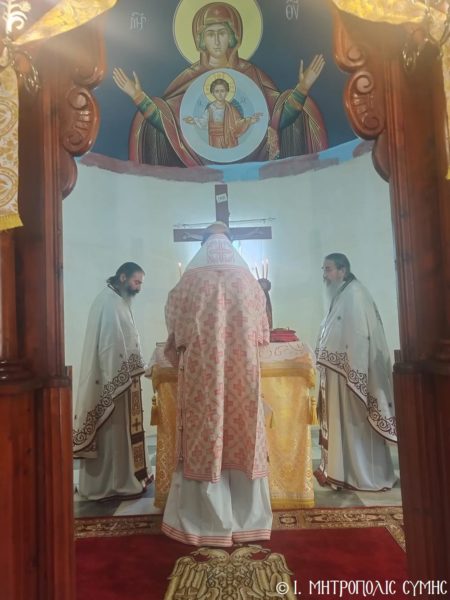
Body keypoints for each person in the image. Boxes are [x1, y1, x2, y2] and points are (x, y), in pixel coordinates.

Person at [162, 221, 272, 546]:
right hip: (242, 373)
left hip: (202, 374)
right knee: (243, 432)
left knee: (204, 433)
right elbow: (263, 331)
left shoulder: (191, 279)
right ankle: (248, 520)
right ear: (230, 243)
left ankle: (205, 521)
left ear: (204, 243)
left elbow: (174, 326)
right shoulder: (248, 281)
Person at [112, 1, 327, 166]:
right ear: (201, 39)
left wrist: (302, 88)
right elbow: (169, 125)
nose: (216, 41)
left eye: (222, 33)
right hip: (199, 164)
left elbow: (278, 118)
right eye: (210, 34)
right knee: (143, 119)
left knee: (307, 106)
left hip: (249, 161)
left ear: (233, 37)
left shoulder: (251, 74)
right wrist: (138, 96)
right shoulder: (189, 78)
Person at [314, 253, 397, 491]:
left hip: (350, 374)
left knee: (354, 426)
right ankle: (341, 471)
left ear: (342, 270)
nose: (325, 275)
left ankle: (362, 475)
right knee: (342, 424)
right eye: (324, 269)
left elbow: (361, 336)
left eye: (328, 269)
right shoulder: (343, 293)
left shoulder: (356, 294)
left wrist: (352, 371)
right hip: (339, 372)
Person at [73, 262, 150, 500]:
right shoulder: (108, 302)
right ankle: (112, 485)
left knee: (123, 434)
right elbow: (108, 346)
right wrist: (116, 380)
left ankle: (130, 476)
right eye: (136, 282)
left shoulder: (119, 300)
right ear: (123, 277)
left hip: (124, 379)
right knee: (113, 435)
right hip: (113, 383)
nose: (139, 288)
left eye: (141, 283)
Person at [183, 77, 262, 148]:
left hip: (229, 139)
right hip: (215, 140)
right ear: (212, 93)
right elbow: (204, 122)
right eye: (217, 91)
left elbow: (237, 123)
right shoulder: (210, 109)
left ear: (227, 92)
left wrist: (249, 120)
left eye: (222, 91)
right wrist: (193, 120)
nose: (220, 94)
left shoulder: (231, 108)